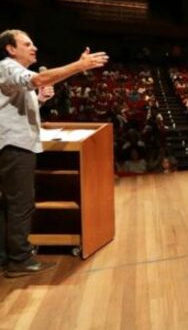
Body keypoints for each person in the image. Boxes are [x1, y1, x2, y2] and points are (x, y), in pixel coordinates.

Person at [0, 29, 108, 278]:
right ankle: (20, 260)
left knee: (9, 204)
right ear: (10, 49)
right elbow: (38, 79)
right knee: (21, 205)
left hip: (14, 144)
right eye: (27, 44)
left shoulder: (12, 74)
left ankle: (7, 256)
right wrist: (79, 66)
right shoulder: (8, 67)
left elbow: (10, 107)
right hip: (15, 147)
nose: (34, 48)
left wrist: (39, 100)